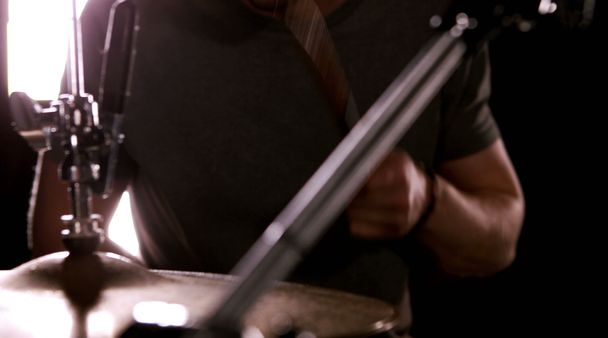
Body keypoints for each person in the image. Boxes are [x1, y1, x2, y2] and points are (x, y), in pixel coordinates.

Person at [31, 0, 524, 335]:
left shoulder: (433, 19)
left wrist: (427, 201)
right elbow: (59, 241)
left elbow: (496, 241)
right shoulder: (124, 17)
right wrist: (170, 313)